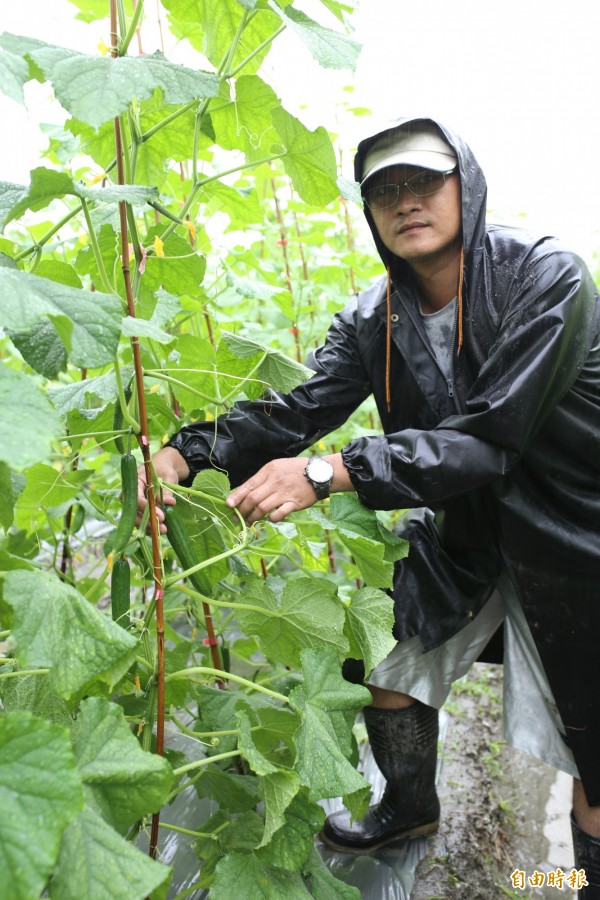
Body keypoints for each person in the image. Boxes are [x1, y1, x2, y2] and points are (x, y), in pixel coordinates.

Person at [137, 116, 600, 896]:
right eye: (384, 189)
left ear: (467, 185)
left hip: (572, 535)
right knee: (388, 657)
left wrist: (328, 473)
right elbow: (294, 410)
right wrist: (190, 451)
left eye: (424, 180)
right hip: (465, 527)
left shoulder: (546, 278)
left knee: (595, 760)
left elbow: (491, 438)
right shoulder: (372, 317)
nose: (405, 200)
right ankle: (410, 807)